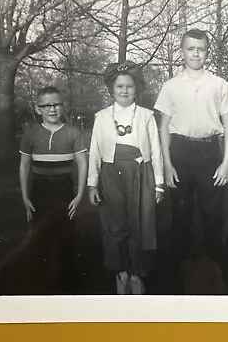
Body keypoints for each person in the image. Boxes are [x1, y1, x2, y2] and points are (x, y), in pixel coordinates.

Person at [154, 29, 228, 293]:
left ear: (207, 52)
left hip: (209, 153)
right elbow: (164, 127)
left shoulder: (219, 84)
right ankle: (179, 273)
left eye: (200, 49)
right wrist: (167, 164)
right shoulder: (170, 87)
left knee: (212, 215)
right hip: (180, 152)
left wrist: (226, 162)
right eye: (190, 49)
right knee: (180, 216)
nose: (195, 54)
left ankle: (215, 269)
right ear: (182, 51)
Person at [87, 60, 164, 295]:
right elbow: (95, 151)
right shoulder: (101, 117)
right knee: (115, 225)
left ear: (136, 89)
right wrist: (92, 182)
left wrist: (159, 183)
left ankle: (137, 273)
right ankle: (121, 271)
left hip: (139, 172)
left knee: (140, 223)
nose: (124, 91)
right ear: (112, 89)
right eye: (119, 86)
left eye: (129, 86)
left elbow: (156, 148)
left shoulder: (146, 116)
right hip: (111, 174)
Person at [19, 86, 88, 294]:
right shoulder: (31, 134)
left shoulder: (72, 132)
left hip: (63, 189)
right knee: (40, 236)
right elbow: (24, 166)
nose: (52, 109)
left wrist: (79, 196)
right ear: (38, 109)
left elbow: (83, 164)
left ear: (63, 106)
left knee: (65, 235)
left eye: (56, 104)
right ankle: (40, 282)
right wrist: (24, 197)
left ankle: (67, 283)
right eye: (46, 105)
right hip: (39, 188)